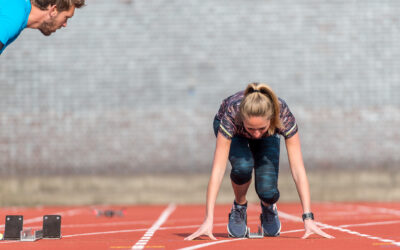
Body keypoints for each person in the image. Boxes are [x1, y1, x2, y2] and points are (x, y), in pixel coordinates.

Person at [185, 83, 334, 240]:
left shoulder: (283, 116)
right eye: (251, 129)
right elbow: (218, 170)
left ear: (272, 119)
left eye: (261, 128)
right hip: (235, 133)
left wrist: (308, 217)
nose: (256, 135)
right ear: (242, 120)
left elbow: (297, 169)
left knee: (267, 191)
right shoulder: (231, 115)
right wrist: (208, 219)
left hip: (269, 135)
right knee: (243, 167)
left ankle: (269, 206)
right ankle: (239, 206)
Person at [0, 0, 85, 55]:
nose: (65, 24)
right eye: (66, 17)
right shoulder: (14, 17)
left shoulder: (17, 7)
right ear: (54, 10)